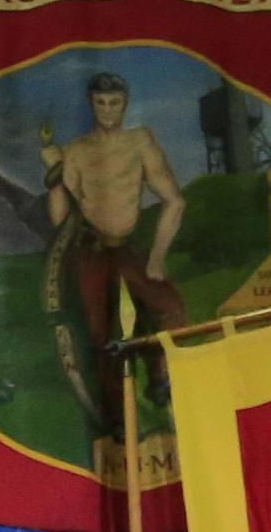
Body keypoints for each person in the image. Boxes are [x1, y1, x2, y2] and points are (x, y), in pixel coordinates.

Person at [41, 71, 189, 403]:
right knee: (98, 332)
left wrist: (156, 259)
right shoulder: (76, 151)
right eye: (101, 103)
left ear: (125, 104)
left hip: (129, 249)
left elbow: (175, 201)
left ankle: (161, 380)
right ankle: (114, 410)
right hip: (91, 250)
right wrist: (53, 175)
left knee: (170, 308)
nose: (108, 110)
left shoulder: (140, 142)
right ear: (91, 104)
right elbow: (59, 218)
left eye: (115, 103)